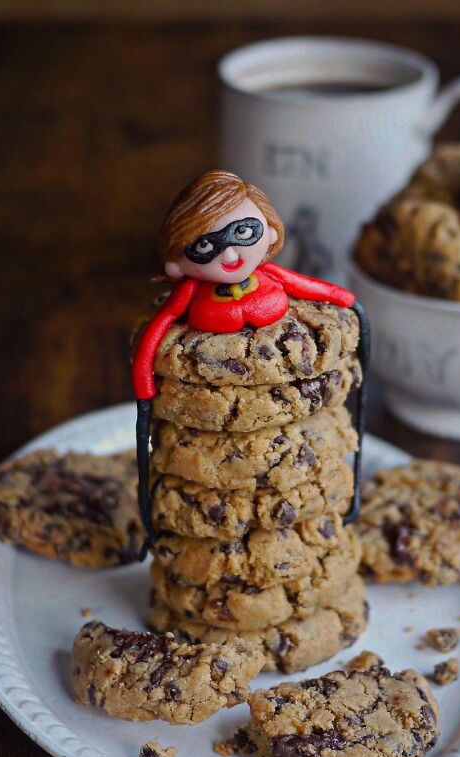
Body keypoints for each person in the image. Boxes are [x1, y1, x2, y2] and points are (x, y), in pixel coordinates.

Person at [132, 170, 368, 552]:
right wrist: (144, 390)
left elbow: (325, 292)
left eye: (243, 234)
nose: (228, 255)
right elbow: (154, 338)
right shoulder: (184, 311)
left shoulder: (288, 301)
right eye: (205, 247)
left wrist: (350, 307)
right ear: (177, 265)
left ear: (271, 232)